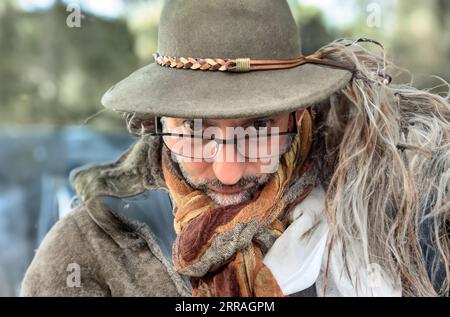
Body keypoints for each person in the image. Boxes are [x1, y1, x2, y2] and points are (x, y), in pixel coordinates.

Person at [21, 0, 449, 297]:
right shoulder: (86, 251)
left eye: (260, 127)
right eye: (194, 130)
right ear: (156, 122)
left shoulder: (391, 217)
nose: (227, 171)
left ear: (298, 115)